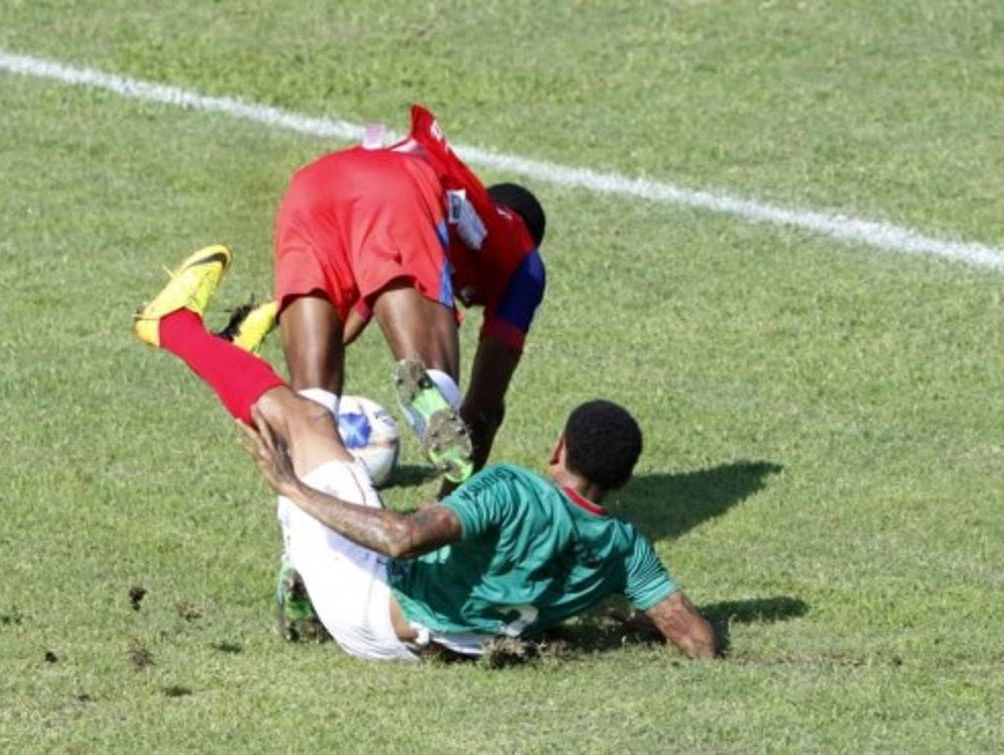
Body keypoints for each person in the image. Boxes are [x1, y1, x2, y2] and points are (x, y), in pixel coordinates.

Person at [133, 245, 717, 661]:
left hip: (374, 608)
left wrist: (292, 487)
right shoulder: (625, 549)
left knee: (306, 419)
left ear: (559, 447)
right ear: (622, 482)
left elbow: (401, 539)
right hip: (427, 647)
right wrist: (631, 618)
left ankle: (174, 326)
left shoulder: (513, 488)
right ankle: (306, 563)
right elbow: (699, 641)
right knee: (341, 473)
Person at [236, 104, 547, 487]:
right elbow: (484, 409)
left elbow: (351, 317)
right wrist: (448, 511)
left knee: (313, 400)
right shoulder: (524, 263)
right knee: (435, 379)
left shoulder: (455, 201)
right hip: (397, 190)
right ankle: (436, 390)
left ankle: (311, 479)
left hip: (314, 184)